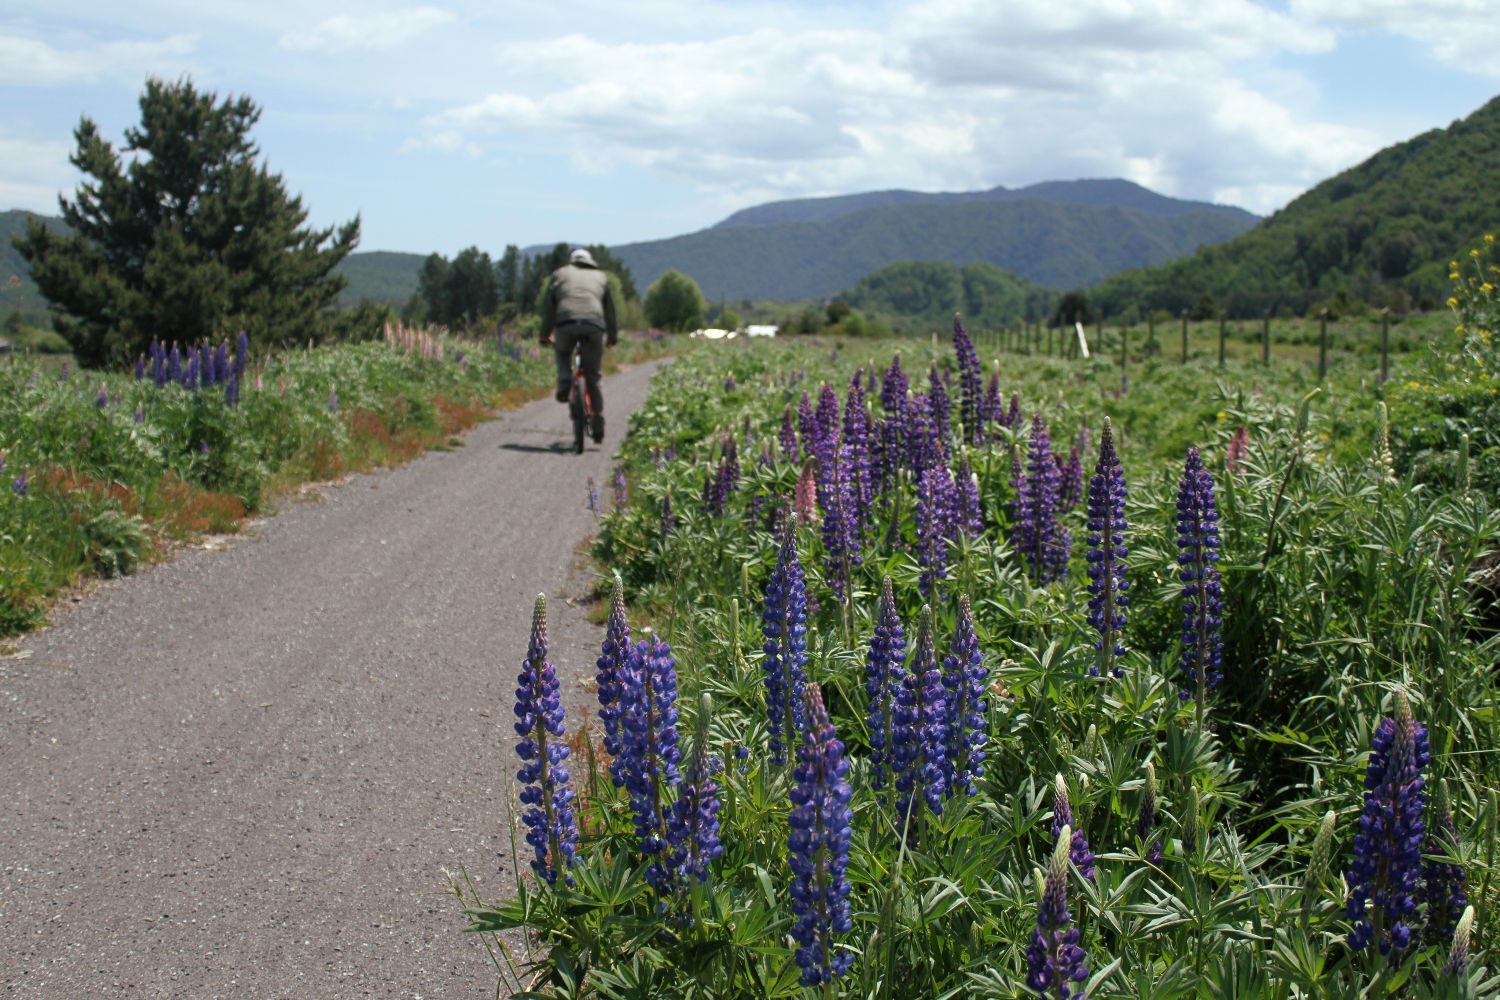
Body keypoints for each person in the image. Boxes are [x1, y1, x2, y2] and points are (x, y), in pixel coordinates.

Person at [540, 248, 617, 443]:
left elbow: (549, 308)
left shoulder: (559, 274)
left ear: (572, 261)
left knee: (563, 351)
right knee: (593, 374)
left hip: (565, 324)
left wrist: (544, 334)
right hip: (594, 325)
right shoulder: (601, 276)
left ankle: (565, 379)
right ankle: (598, 422)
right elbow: (610, 311)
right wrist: (612, 337)